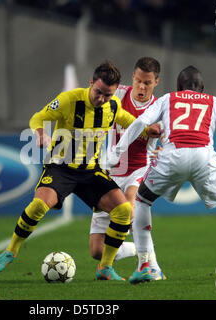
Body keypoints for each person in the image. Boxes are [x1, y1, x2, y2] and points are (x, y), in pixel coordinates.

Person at [108, 65, 216, 284]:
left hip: (172, 156)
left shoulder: (168, 99)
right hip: (204, 159)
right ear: (202, 87)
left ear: (179, 87)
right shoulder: (214, 102)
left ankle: (145, 265)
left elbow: (141, 121)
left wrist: (117, 152)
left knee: (142, 201)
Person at [0, 61, 160, 281]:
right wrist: (40, 133)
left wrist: (148, 129)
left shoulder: (114, 105)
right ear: (91, 83)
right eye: (98, 92)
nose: (101, 99)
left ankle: (105, 267)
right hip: (61, 168)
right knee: (39, 205)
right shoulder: (69, 100)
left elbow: (130, 121)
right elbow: (38, 117)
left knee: (123, 211)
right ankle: (10, 251)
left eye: (107, 95)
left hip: (90, 172)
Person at [89, 57, 166, 280]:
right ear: (133, 76)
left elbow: (167, 138)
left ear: (156, 82)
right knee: (96, 250)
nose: (142, 87)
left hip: (139, 169)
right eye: (139, 81)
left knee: (132, 207)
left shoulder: (160, 108)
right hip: (111, 170)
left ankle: (150, 267)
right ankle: (140, 251)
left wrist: (162, 147)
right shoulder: (117, 94)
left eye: (148, 83)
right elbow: (93, 96)